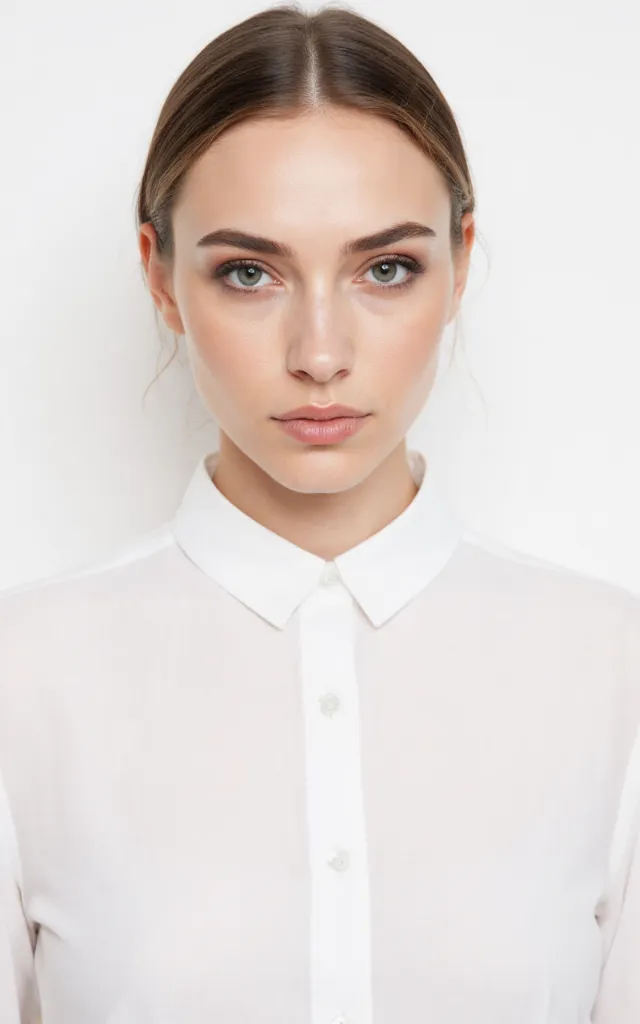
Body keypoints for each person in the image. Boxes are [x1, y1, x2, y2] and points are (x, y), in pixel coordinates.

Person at [1, 3, 639, 1021]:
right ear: (161, 276)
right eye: (247, 272)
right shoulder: (23, 678)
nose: (320, 351)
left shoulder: (614, 670)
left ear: (460, 259)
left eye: (385, 267)